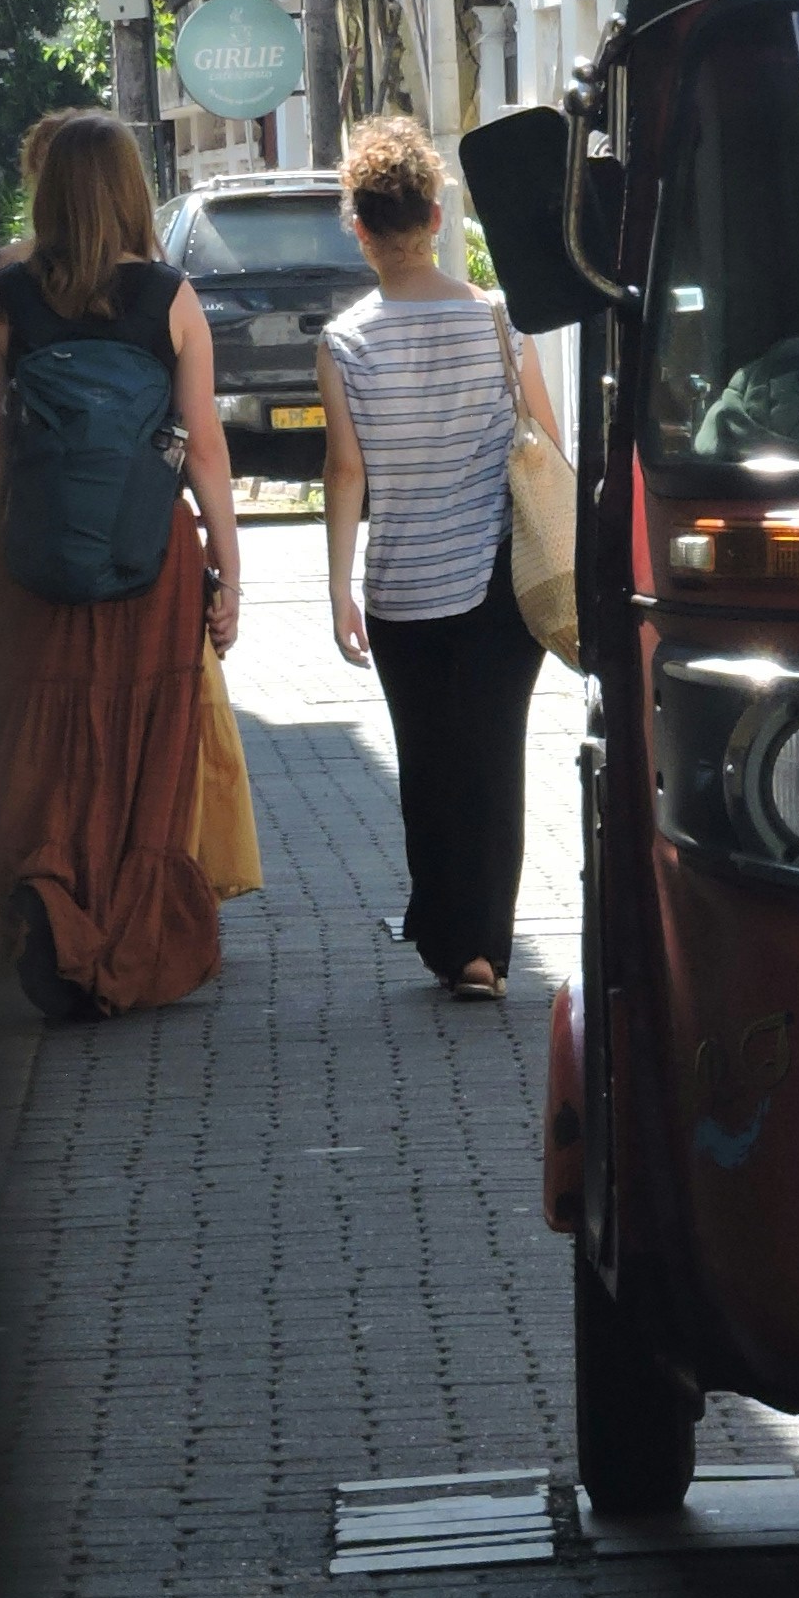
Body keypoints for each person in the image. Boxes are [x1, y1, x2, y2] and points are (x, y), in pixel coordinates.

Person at [0, 108, 242, 1024]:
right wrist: (229, 575)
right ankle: (123, 939)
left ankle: (47, 898)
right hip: (147, 560)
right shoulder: (169, 297)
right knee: (145, 749)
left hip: (35, 562)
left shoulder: (5, 299)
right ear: (131, 190)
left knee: (44, 745)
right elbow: (202, 449)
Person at [320, 112, 557, 1001]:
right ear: (434, 219)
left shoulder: (344, 342)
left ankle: (448, 931)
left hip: (403, 587)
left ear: (360, 229)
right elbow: (544, 441)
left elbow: (346, 473)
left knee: (426, 762)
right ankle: (483, 949)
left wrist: (337, 587)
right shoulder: (501, 323)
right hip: (502, 583)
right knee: (494, 758)